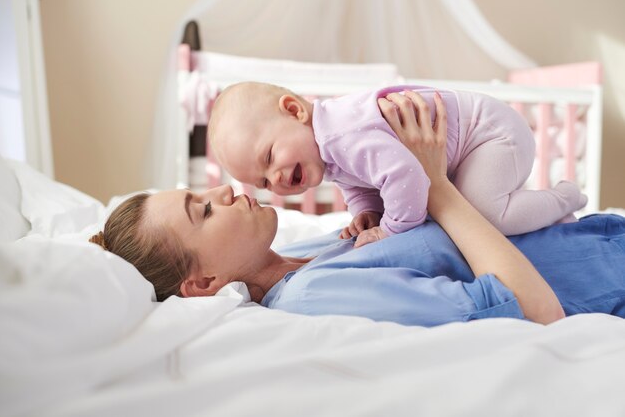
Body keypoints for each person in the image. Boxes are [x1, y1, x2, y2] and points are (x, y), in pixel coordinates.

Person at [90, 93, 625, 328]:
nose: (225, 192)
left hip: (599, 236)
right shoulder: (309, 294)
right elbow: (532, 310)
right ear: (203, 282)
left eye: (202, 194)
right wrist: (434, 182)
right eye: (202, 213)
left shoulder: (302, 253)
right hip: (607, 273)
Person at [207, 81, 588, 248]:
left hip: (490, 133)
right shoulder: (326, 148)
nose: (276, 179)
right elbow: (358, 181)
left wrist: (390, 230)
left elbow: (405, 177)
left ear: (293, 110)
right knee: (472, 208)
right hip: (475, 145)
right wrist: (367, 210)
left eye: (270, 158)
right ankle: (550, 221)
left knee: (488, 214)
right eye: (264, 182)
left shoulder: (340, 133)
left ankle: (564, 198)